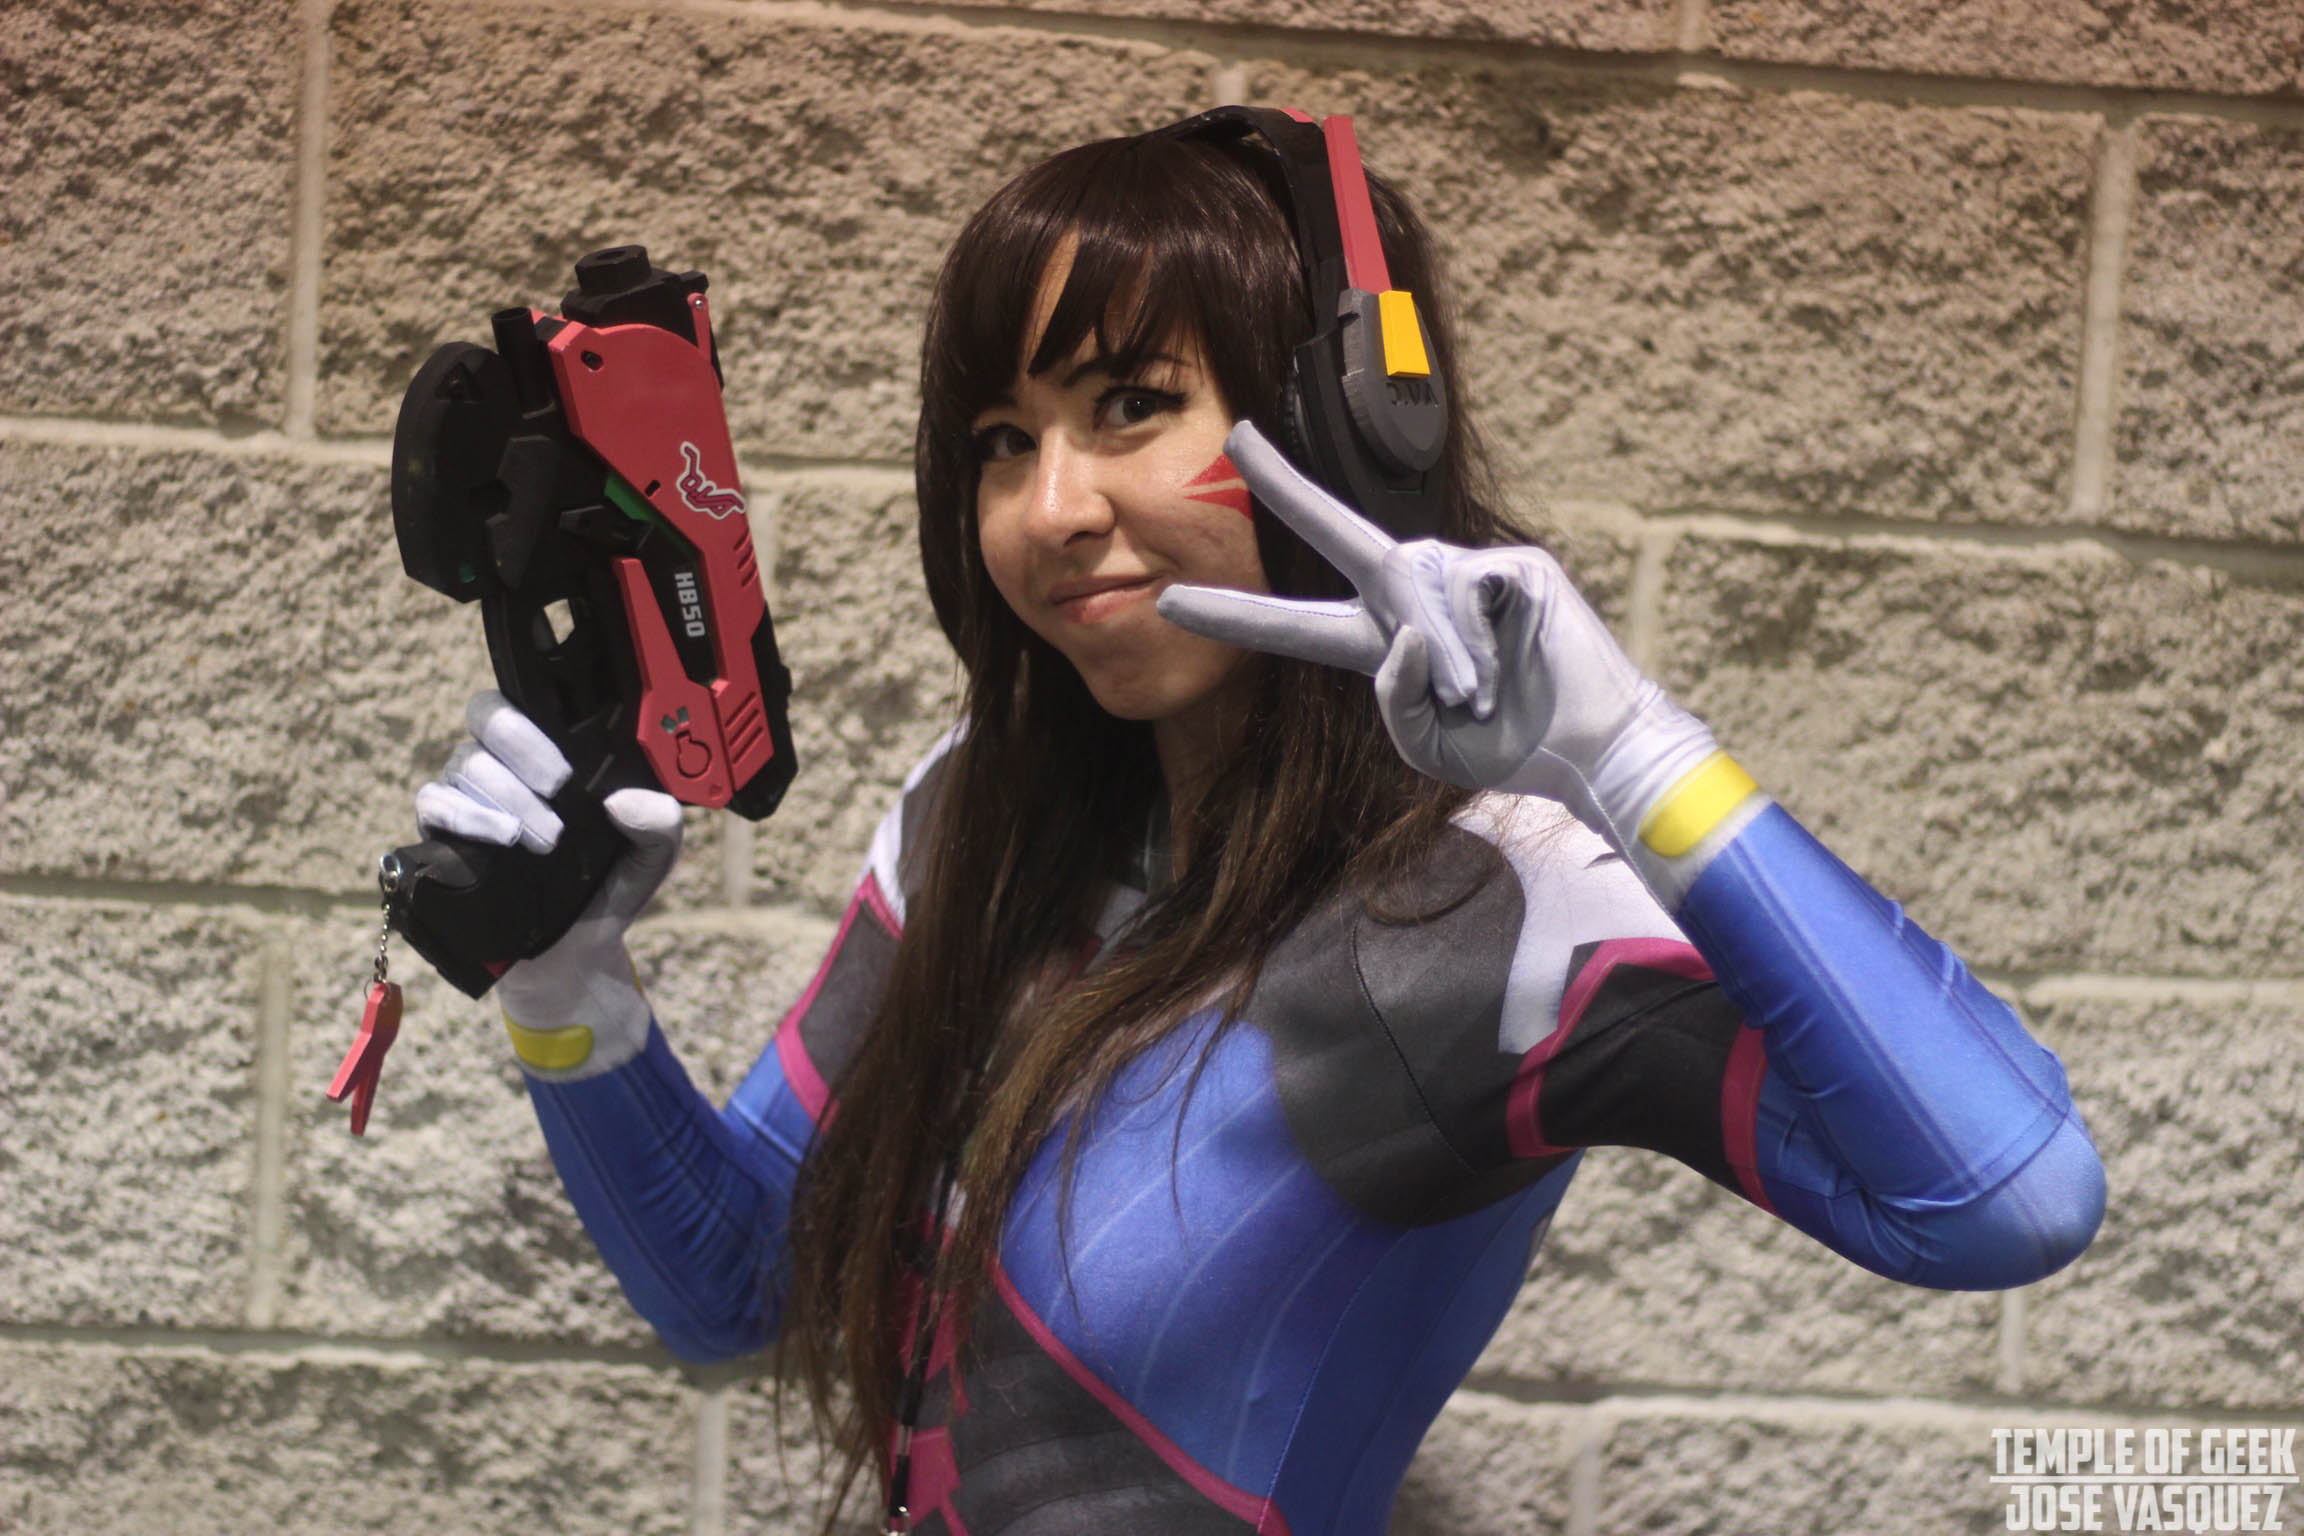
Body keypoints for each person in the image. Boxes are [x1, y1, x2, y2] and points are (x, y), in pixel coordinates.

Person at [413, 111, 2106, 1535]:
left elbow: (2005, 1198)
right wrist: (572, 998)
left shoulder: (1495, 908)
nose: (1051, 508)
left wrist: (1630, 750)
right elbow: (737, 1290)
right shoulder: (972, 823)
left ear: (1358, 423)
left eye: (1129, 404)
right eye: (1003, 439)